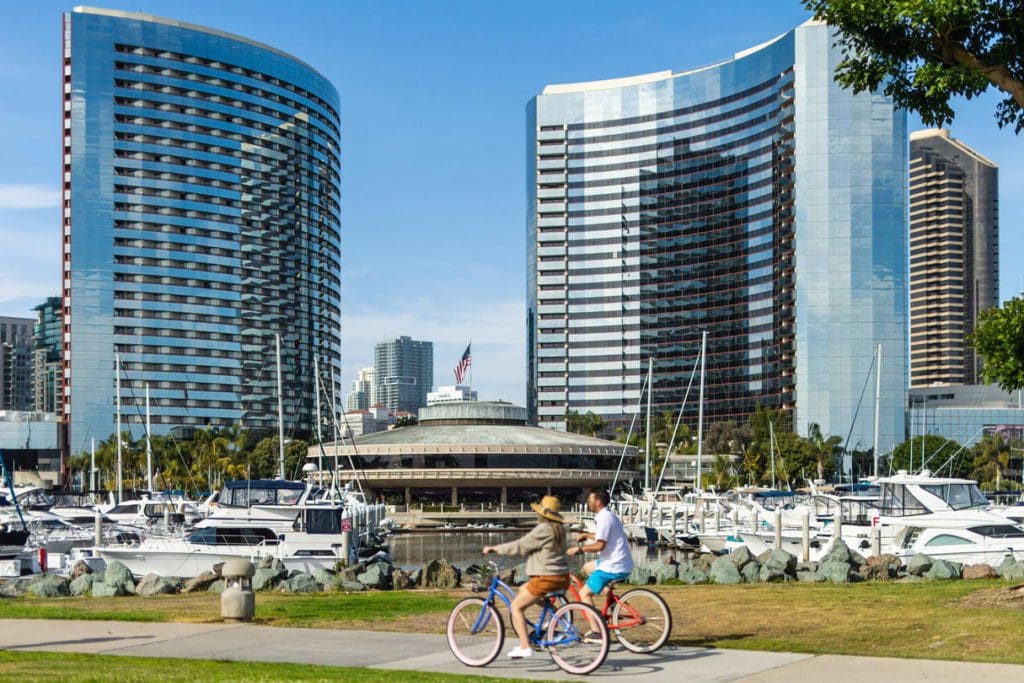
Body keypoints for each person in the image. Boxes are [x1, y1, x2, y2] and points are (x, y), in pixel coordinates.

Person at [483, 494, 570, 659]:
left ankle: (525, 646)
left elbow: (520, 546)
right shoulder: (560, 530)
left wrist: (495, 548)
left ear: (542, 514)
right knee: (524, 588)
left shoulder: (544, 529)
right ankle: (555, 619)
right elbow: (546, 550)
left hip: (546, 577)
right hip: (562, 576)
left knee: (516, 607)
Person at [568, 489, 633, 637]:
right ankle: (611, 601)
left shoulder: (604, 518)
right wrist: (585, 535)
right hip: (617, 561)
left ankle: (596, 631)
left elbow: (600, 545)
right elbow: (600, 536)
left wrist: (579, 549)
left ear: (598, 502)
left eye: (590, 500)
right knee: (587, 567)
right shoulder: (607, 516)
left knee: (583, 593)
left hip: (613, 565)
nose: (588, 502)